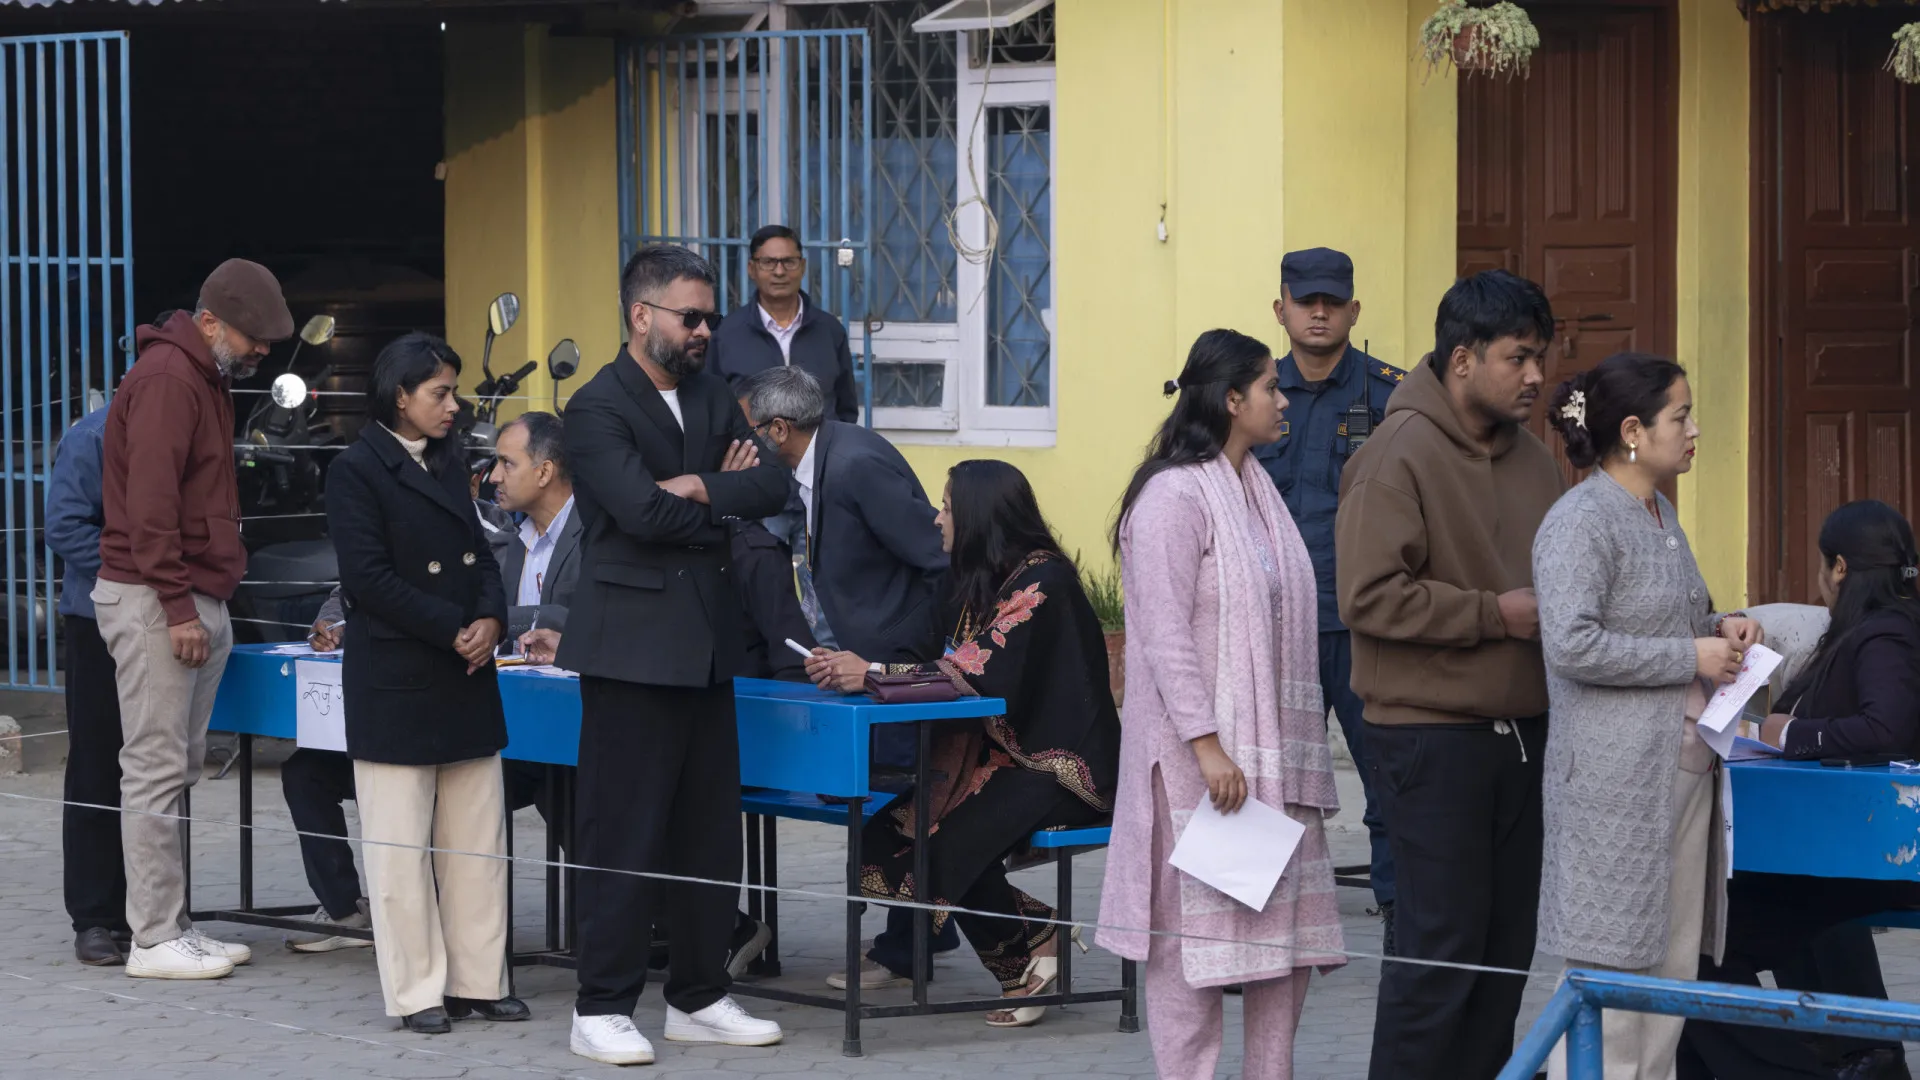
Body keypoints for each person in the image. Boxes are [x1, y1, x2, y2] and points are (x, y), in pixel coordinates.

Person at [558, 244, 791, 1066]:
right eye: (690, 317)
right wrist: (712, 495)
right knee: (623, 831)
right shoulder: (596, 408)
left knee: (706, 834)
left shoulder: (714, 395)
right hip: (630, 650)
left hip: (709, 646)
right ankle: (601, 1006)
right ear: (641, 316)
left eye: (709, 318)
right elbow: (635, 515)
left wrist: (692, 487)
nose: (704, 331)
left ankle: (699, 993)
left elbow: (778, 486)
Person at [1098, 329, 1346, 1080]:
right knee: (1186, 951)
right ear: (1232, 400)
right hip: (1196, 766)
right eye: (1272, 387)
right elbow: (1163, 633)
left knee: (1284, 947)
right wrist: (1208, 745)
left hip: (1271, 761)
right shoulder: (1173, 495)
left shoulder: (1256, 487)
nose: (1284, 401)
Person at [1335, 269, 1565, 1080]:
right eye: (1519, 358)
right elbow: (1367, 597)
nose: (1536, 376)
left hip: (1523, 740)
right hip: (1429, 741)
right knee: (1439, 959)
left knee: (1505, 959)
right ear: (1462, 359)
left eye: (1542, 357)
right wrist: (1491, 615)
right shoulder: (1393, 455)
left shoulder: (1540, 462)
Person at [805, 460, 1121, 1025]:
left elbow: (976, 671)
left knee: (947, 845)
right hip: (997, 759)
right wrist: (849, 665)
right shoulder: (976, 578)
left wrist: (872, 671)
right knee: (883, 840)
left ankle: (1024, 964)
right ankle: (1039, 934)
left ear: (978, 514)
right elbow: (918, 647)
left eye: (947, 505)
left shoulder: (1043, 581)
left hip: (1058, 765)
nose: (936, 517)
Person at [1531, 352, 1764, 1080]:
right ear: (1633, 430)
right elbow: (1570, 644)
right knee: (1611, 975)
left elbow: (1681, 617)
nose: (1695, 430)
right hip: (1611, 784)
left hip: (1680, 769)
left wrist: (1725, 627)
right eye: (1681, 416)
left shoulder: (1660, 512)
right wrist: (1688, 657)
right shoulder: (1580, 520)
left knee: (1669, 975)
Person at [325, 331, 527, 1034]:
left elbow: (485, 553)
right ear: (399, 395)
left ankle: (479, 979)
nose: (453, 405)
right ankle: (417, 992)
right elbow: (369, 580)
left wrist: (492, 621)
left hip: (467, 673)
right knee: (399, 849)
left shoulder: (449, 461)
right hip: (399, 674)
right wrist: (453, 628)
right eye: (439, 392)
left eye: (453, 390)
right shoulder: (356, 469)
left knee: (478, 841)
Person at [96, 259, 291, 980]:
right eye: (253, 337)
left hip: (180, 594)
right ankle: (151, 936)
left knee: (174, 766)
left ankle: (172, 923)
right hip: (158, 599)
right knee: (154, 769)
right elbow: (149, 510)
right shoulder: (170, 381)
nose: (261, 351)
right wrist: (180, 606)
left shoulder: (199, 376)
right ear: (211, 322)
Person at [1678, 500, 1920, 1080]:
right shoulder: (1852, 633)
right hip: (1822, 850)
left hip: (1855, 855)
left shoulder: (1886, 633)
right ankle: (1852, 1057)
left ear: (1838, 568)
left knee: (1697, 953)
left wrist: (1793, 734)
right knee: (1699, 942)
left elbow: (1888, 727)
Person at [736, 363, 959, 984]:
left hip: (893, 668)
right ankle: (916, 936)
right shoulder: (812, 465)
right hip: (857, 663)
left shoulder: (856, 463)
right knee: (879, 803)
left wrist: (904, 661)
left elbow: (936, 559)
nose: (744, 441)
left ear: (778, 429)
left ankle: (909, 943)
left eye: (749, 429)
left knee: (892, 802)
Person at [1253, 246, 1404, 944]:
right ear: (1280, 308)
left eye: (1332, 301)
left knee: (1388, 771)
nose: (1319, 312)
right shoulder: (1252, 396)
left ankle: (1403, 910)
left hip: (1361, 622)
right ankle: (1255, 911)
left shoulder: (1391, 397)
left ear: (1353, 310)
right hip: (1273, 623)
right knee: (1265, 776)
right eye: (1305, 300)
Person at [46, 404, 131, 967]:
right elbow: (64, 525)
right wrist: (135, 575)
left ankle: (149, 909)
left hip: (168, 616)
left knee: (157, 769)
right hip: (98, 618)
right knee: (98, 767)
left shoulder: (198, 419)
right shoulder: (95, 433)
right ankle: (95, 917)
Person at [711, 224, 860, 423]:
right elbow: (713, 408)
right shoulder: (726, 334)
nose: (779, 271)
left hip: (820, 452)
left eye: (788, 262)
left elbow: (846, 408)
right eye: (768, 262)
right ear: (751, 269)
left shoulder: (830, 330)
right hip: (754, 452)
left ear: (803, 266)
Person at [488, 411, 581, 640]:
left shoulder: (597, 537)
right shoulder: (511, 543)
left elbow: (607, 622)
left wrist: (498, 621)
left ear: (544, 472)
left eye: (507, 463)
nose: (494, 477)